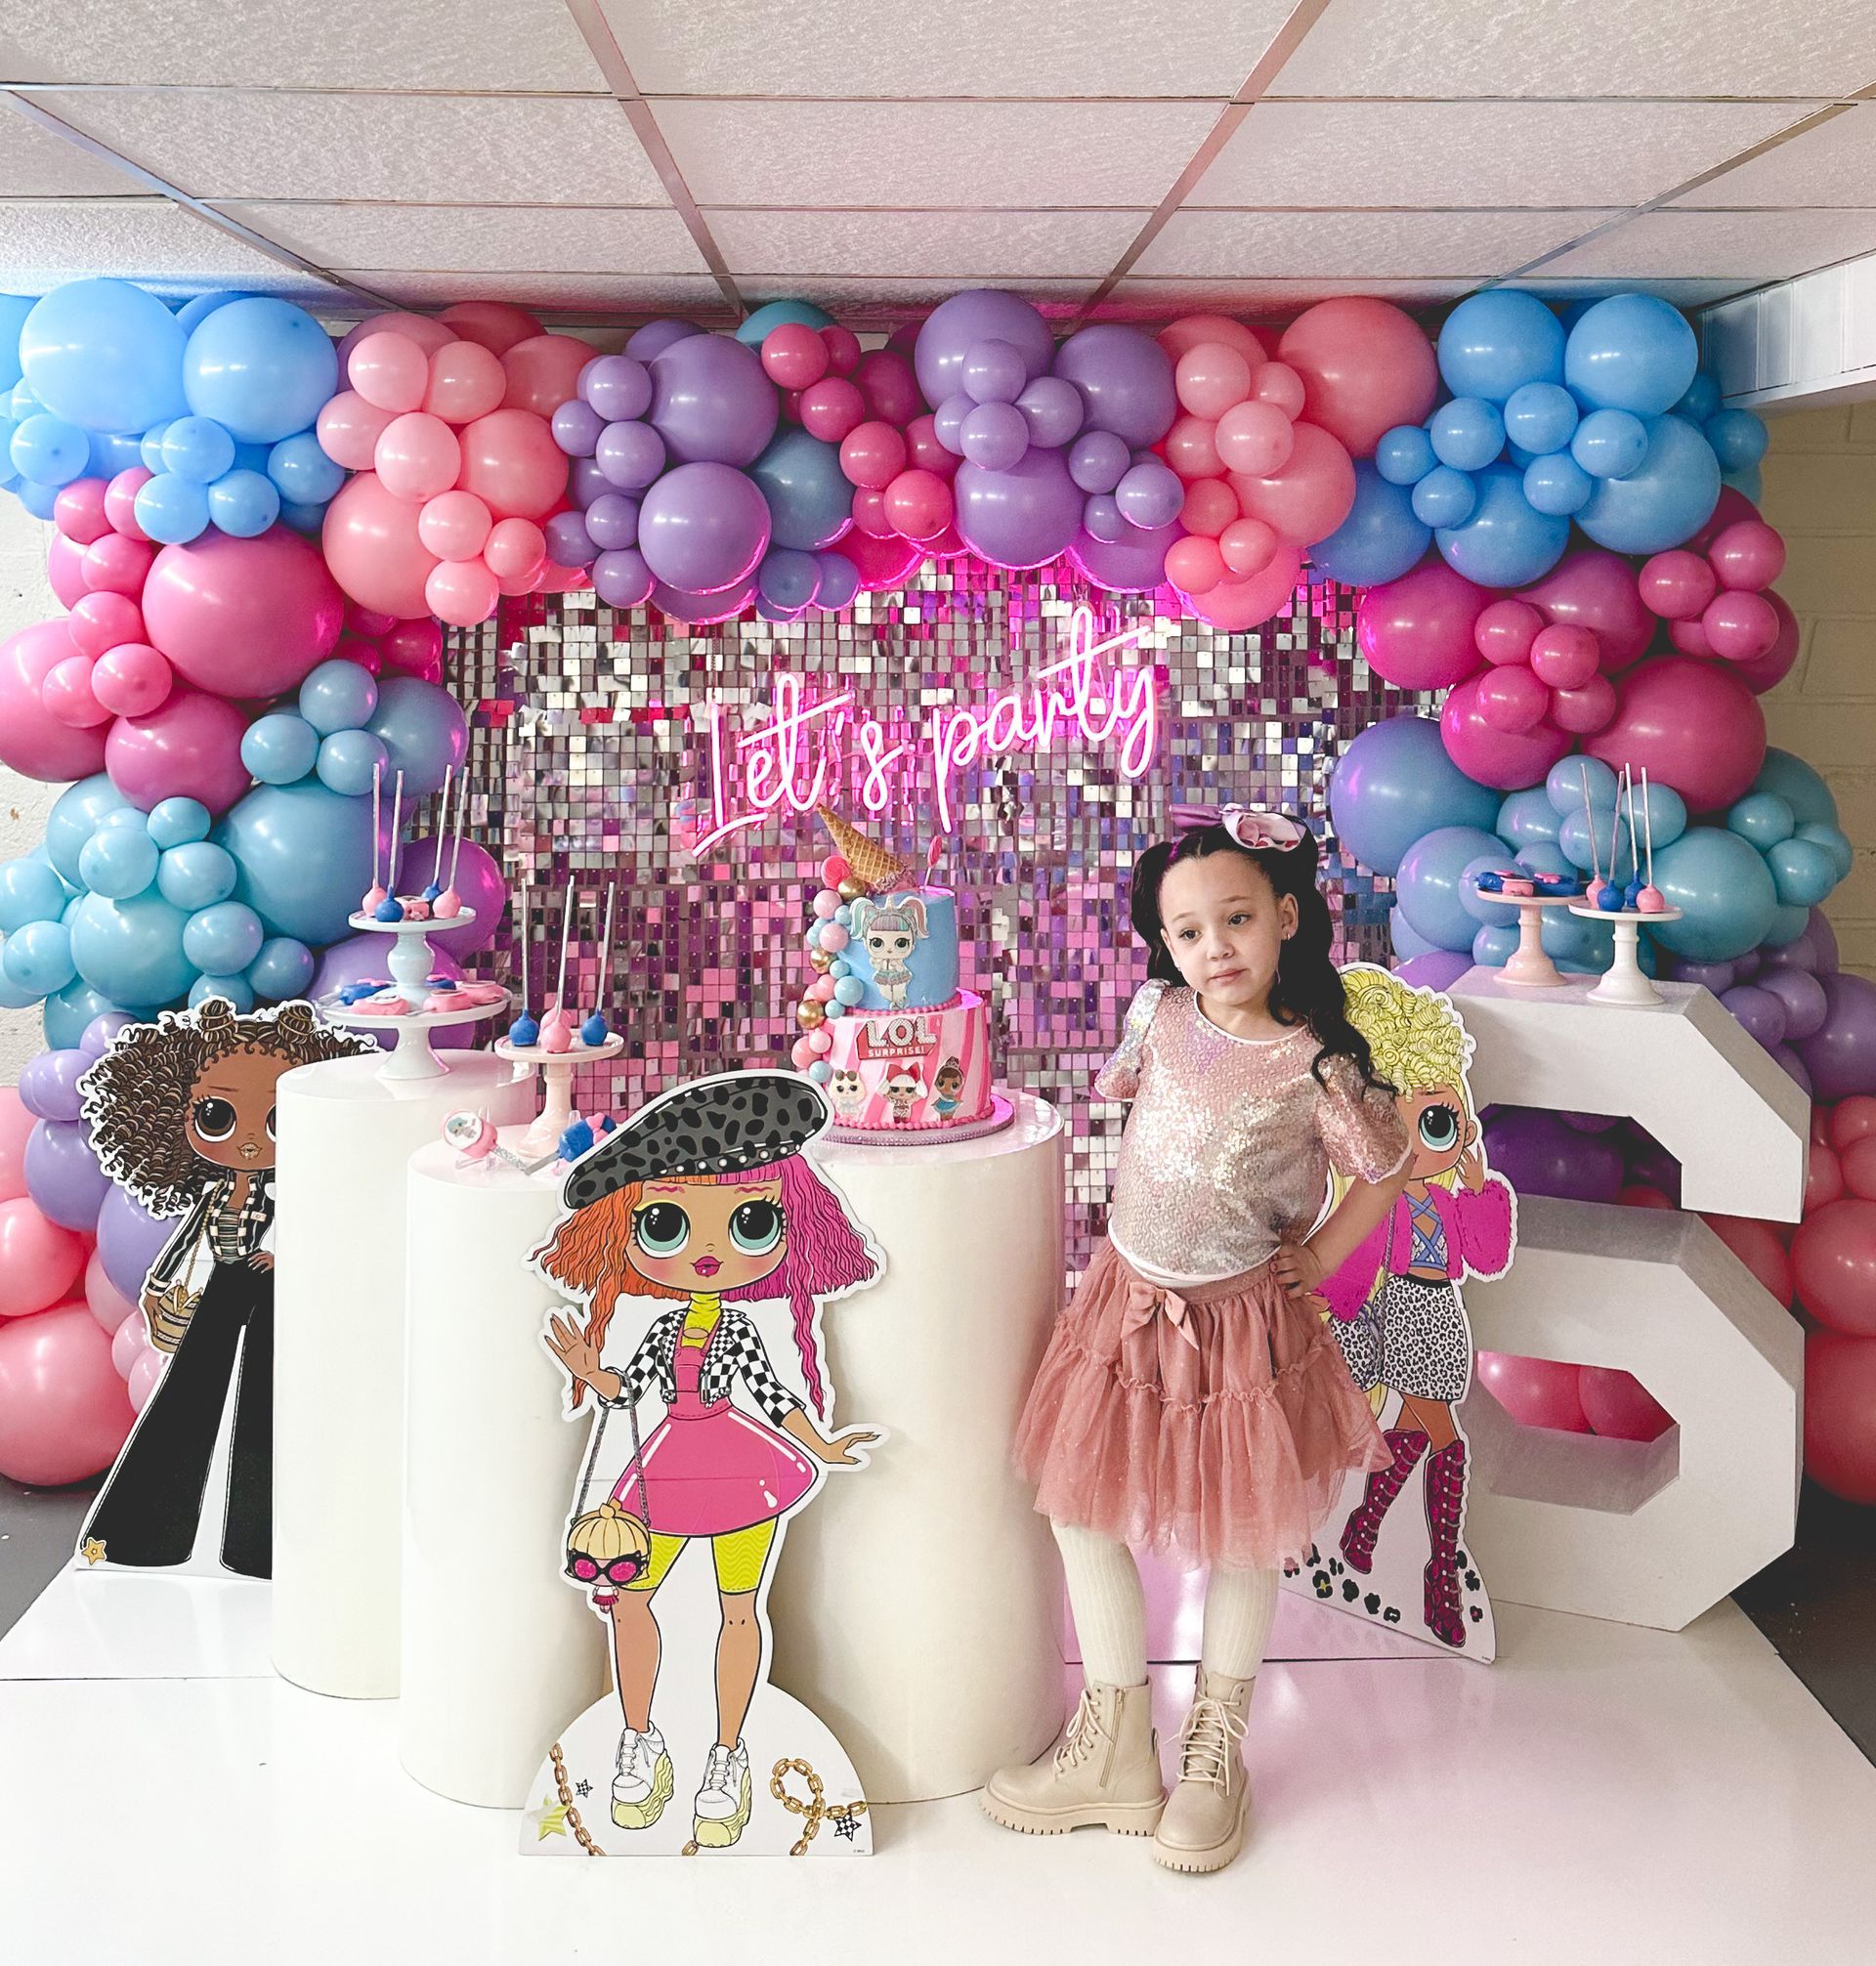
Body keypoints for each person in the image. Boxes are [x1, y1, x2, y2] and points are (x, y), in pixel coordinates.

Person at [984, 805, 1409, 1874]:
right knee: (1079, 1509)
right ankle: (1117, 1744)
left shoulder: (1315, 1064)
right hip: (1128, 1301)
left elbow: (1386, 1168)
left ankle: (1215, 1750)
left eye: (1237, 919)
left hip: (1241, 1327)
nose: (1215, 946)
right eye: (1188, 930)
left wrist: (1321, 1254)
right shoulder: (1160, 1014)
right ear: (1166, 945)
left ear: (1286, 918)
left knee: (1244, 1533)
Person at [535, 1072, 882, 1849]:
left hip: (742, 1470)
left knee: (740, 1608)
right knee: (629, 1597)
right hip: (664, 1469)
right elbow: (630, 1391)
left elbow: (773, 1393)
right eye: (666, 1224)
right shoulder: (662, 1330)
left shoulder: (742, 1330)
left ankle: (727, 1755)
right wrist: (594, 1376)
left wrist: (821, 1442)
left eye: (751, 1222)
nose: (708, 1252)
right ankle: (640, 1738)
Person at [77, 999, 375, 1577]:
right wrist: (161, 1291)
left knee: (268, 1408)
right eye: (216, 1116)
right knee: (188, 1401)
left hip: (272, 1299)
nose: (249, 1142)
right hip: (218, 1294)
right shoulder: (215, 1193)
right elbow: (187, 1242)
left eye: (278, 1120)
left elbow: (325, 1235)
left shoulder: (296, 1191)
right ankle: (150, 1536)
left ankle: (257, 1544)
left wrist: (284, 1256)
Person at [1318, 966, 1514, 1648]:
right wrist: (1324, 1302)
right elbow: (1353, 1259)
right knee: (1445, 1440)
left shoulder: (1443, 1199)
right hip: (1405, 1315)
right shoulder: (1382, 1202)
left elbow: (1486, 1256)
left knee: (1412, 1429)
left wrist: (1478, 1187)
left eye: (1443, 1120)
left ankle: (1365, 1528)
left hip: (1441, 1314)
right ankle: (1439, 1575)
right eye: (1425, 1122)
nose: (1442, 1136)